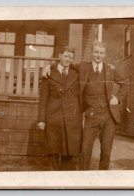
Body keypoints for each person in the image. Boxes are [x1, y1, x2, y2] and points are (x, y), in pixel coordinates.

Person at [42, 41, 126, 170]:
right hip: (91, 115)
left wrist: (118, 98)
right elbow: (64, 64)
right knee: (85, 150)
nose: (98, 55)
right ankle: (83, 179)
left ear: (104, 55)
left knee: (106, 151)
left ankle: (102, 180)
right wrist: (49, 66)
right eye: (96, 52)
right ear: (92, 53)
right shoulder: (82, 67)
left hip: (109, 116)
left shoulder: (111, 69)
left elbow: (125, 84)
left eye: (101, 53)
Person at [38, 46, 82, 171]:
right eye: (66, 56)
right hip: (54, 117)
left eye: (71, 57)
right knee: (53, 150)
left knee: (68, 150)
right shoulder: (49, 72)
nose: (68, 59)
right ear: (60, 56)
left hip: (71, 118)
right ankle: (54, 180)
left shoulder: (76, 73)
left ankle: (65, 182)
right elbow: (43, 97)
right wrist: (41, 119)